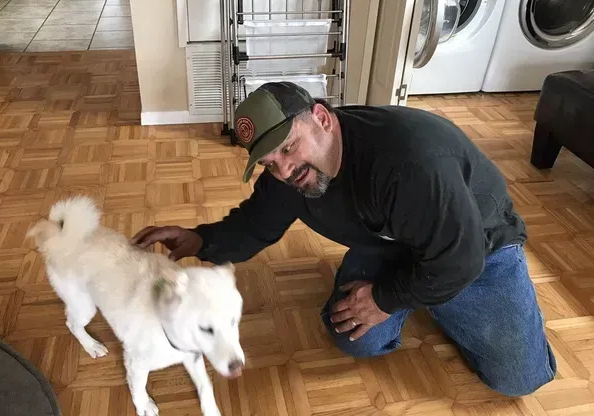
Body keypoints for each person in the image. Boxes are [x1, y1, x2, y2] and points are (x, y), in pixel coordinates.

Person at [132, 82, 556, 397]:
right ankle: (430, 294)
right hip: (392, 241)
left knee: (518, 380)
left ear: (321, 118)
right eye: (269, 161)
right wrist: (198, 239)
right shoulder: (291, 176)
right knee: (355, 336)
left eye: (288, 146)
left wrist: (386, 297)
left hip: (475, 245)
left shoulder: (408, 164)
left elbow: (459, 261)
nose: (283, 169)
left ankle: (439, 297)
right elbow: (254, 225)